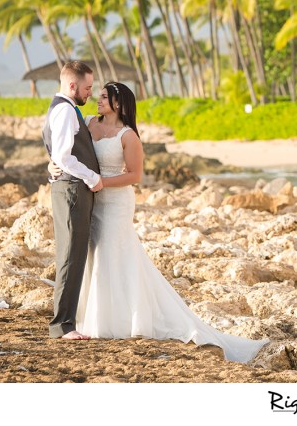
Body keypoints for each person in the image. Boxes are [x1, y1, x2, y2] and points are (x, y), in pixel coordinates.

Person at [51, 81, 268, 363]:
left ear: (118, 103)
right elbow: (65, 147)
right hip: (92, 197)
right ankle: (91, 315)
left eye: (104, 96)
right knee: (95, 253)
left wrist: (102, 182)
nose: (98, 99)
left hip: (115, 201)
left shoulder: (128, 136)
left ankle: (122, 320)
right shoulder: (89, 122)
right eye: (99, 95)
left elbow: (135, 175)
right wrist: (53, 164)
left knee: (114, 252)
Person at [42, 60, 103, 340]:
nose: (90, 92)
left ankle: (67, 322)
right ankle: (62, 325)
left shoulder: (63, 108)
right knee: (70, 256)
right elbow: (63, 157)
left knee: (74, 254)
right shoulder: (66, 110)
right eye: (87, 87)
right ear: (72, 85)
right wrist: (92, 177)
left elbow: (58, 156)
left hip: (69, 188)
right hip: (72, 190)